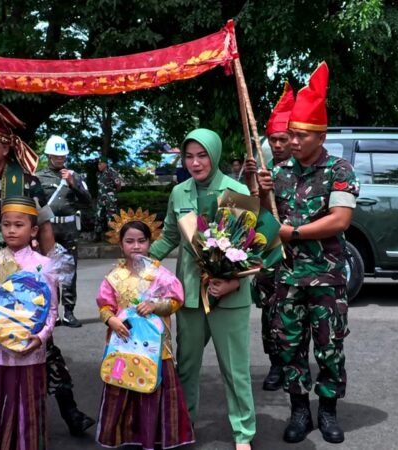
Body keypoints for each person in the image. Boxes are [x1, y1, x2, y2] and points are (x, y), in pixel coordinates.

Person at [0, 103, 95, 441]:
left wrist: (47, 272)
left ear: (5, 147)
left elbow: (45, 229)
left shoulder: (27, 182)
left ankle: (69, 410)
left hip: (24, 282)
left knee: (40, 343)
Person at [257, 63, 360, 444]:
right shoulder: (279, 172)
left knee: (330, 347)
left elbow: (340, 220)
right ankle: (299, 410)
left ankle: (328, 411)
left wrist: (294, 233)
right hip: (287, 277)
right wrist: (260, 191)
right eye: (292, 134)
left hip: (326, 277)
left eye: (301, 135)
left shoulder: (339, 170)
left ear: (321, 136)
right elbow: (265, 219)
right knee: (290, 347)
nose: (294, 141)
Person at [150, 128, 255, 450]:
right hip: (191, 295)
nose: (195, 163)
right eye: (189, 156)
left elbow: (251, 250)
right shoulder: (179, 192)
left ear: (215, 155)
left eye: (202, 155)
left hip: (230, 296)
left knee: (235, 370)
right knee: (186, 366)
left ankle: (243, 433)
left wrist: (234, 282)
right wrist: (138, 262)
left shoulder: (236, 191)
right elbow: (170, 236)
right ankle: (184, 424)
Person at [95, 211, 195, 449]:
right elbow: (105, 306)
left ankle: (154, 437)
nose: (136, 246)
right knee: (122, 386)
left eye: (142, 240)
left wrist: (155, 305)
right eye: (129, 241)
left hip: (154, 348)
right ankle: (124, 435)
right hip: (123, 345)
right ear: (120, 244)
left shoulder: (160, 274)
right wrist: (111, 320)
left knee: (153, 389)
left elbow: (176, 301)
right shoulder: (114, 277)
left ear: (150, 243)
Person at [0, 196, 59, 449]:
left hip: (28, 347)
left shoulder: (45, 266)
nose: (11, 230)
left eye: (19, 225)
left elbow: (52, 310)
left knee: (29, 403)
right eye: (6, 224)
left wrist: (41, 337)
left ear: (34, 230)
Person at [246, 80, 296, 392]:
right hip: (269, 253)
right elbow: (252, 211)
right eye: (273, 140)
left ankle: (293, 364)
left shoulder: (303, 172)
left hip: (298, 254)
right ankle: (276, 363)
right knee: (270, 311)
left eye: (282, 139)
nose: (277, 145)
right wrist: (253, 180)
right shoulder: (265, 171)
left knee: (293, 314)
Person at [36, 135, 93, 328]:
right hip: (48, 228)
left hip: (68, 229)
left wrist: (73, 184)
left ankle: (69, 312)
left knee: (69, 270)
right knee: (47, 270)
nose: (60, 159)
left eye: (63, 156)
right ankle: (50, 312)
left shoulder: (74, 176)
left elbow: (88, 201)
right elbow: (33, 204)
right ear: (49, 156)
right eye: (56, 156)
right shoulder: (39, 177)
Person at [95, 157, 123, 241]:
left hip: (110, 200)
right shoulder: (99, 174)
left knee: (111, 217)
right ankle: (97, 236)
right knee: (98, 216)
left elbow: (118, 185)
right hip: (101, 199)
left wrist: (112, 194)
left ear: (105, 164)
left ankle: (113, 236)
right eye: (98, 164)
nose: (99, 166)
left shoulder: (112, 172)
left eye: (100, 164)